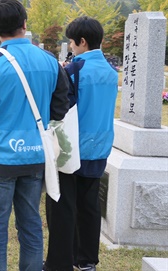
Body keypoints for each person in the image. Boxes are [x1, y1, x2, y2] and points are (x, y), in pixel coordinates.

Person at [0, 0, 69, 271]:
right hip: (35, 157)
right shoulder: (50, 61)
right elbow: (60, 109)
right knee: (31, 225)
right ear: (25, 24)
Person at [43, 17, 118, 271]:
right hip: (100, 146)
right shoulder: (110, 71)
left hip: (73, 148)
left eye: (72, 42)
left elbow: (60, 109)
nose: (71, 47)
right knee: (89, 204)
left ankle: (60, 262)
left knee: (62, 205)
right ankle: (87, 260)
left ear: (82, 42)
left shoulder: (74, 71)